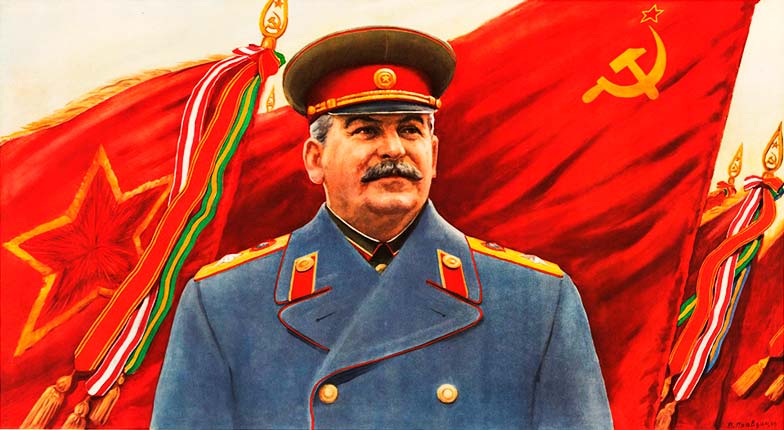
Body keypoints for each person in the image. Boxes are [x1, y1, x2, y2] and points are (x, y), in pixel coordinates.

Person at [151, 26, 613, 429]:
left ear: (434, 153)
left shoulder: (534, 300)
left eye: (411, 129)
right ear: (315, 159)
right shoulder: (225, 302)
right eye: (366, 130)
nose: (394, 149)